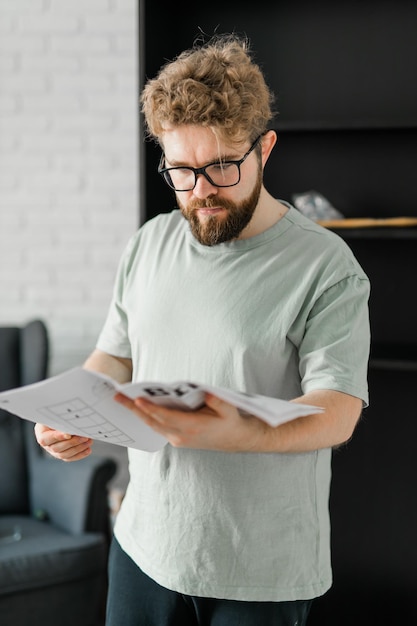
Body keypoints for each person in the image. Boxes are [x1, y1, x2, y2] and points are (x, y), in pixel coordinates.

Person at [35, 33, 370, 626]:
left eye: (220, 166)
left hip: (260, 573)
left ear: (264, 149)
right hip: (142, 547)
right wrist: (70, 414)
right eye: (181, 171)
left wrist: (225, 432)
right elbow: (113, 359)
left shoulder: (326, 265)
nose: (201, 192)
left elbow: (337, 410)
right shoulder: (150, 242)